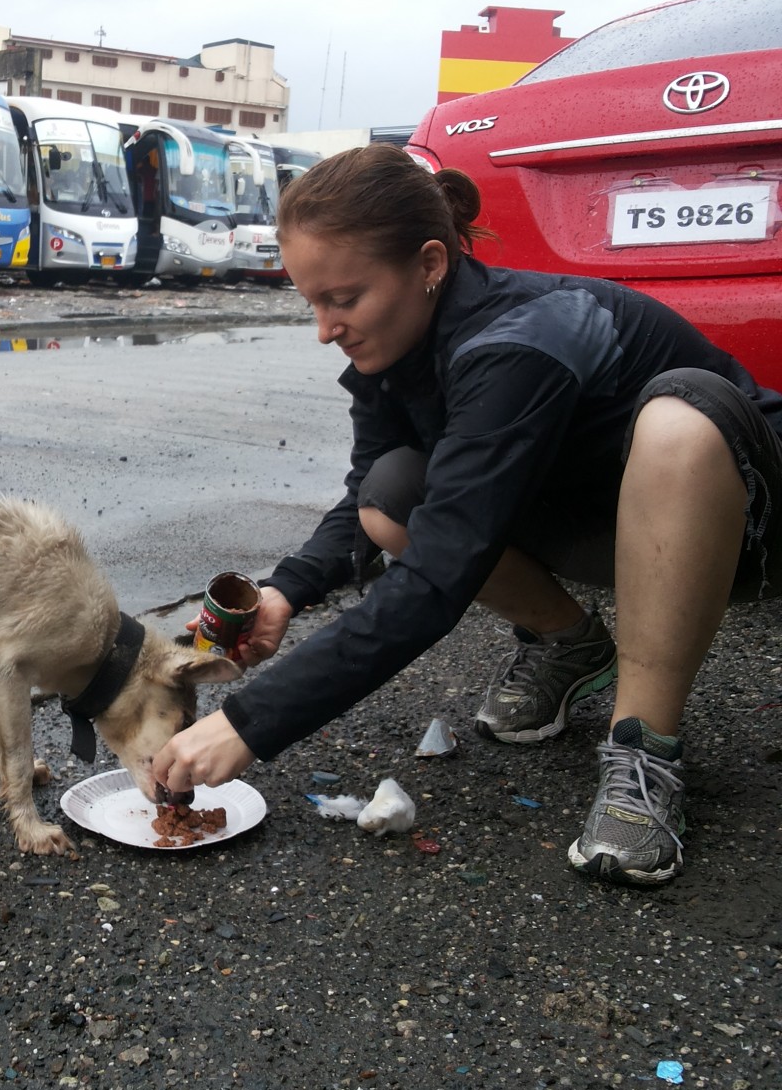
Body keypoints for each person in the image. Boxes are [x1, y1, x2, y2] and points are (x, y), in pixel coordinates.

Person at [150, 143, 782, 888]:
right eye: (312, 302)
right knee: (393, 491)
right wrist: (287, 591)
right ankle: (570, 646)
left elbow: (438, 576)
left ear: (429, 265)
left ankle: (644, 750)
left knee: (680, 421)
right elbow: (367, 501)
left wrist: (250, 723)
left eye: (344, 299)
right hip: (603, 521)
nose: (326, 328)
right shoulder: (398, 353)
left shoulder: (521, 342)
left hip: (736, 529)